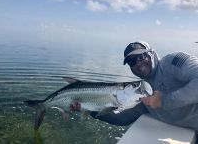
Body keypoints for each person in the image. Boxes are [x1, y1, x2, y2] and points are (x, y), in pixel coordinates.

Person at [70, 41, 198, 133]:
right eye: (132, 61)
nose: (139, 63)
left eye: (141, 56)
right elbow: (122, 118)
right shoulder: (142, 93)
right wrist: (88, 108)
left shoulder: (173, 62)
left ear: (152, 53)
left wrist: (164, 101)